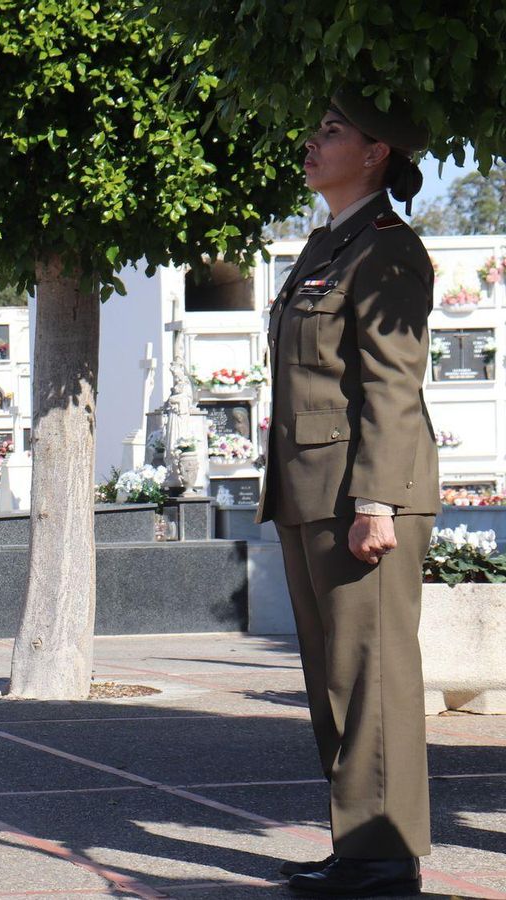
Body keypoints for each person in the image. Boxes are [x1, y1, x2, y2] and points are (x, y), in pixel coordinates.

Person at [258, 86, 439, 898]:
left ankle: (385, 858)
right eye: (315, 128)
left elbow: (393, 388)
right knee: (335, 681)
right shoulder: (327, 245)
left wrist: (376, 503)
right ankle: (358, 848)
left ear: (374, 154)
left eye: (332, 131)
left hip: (360, 497)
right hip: (309, 491)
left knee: (372, 677)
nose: (313, 140)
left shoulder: (386, 248)